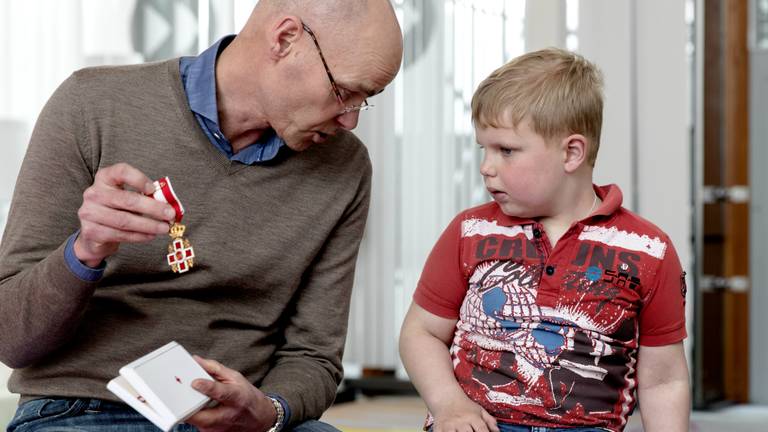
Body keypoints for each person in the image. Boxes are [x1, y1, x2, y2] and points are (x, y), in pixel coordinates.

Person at [0, 0, 403, 431]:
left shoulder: (345, 166)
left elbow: (314, 355)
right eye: (344, 92)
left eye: (368, 99)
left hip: (239, 421)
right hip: (84, 407)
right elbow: (11, 340)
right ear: (285, 39)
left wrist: (270, 410)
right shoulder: (91, 104)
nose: (352, 119)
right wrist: (84, 252)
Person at [399, 48, 689, 432]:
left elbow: (664, 380)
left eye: (506, 151)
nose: (486, 167)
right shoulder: (470, 232)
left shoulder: (648, 250)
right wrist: (449, 405)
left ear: (572, 152)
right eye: (483, 149)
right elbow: (421, 332)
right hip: (478, 424)